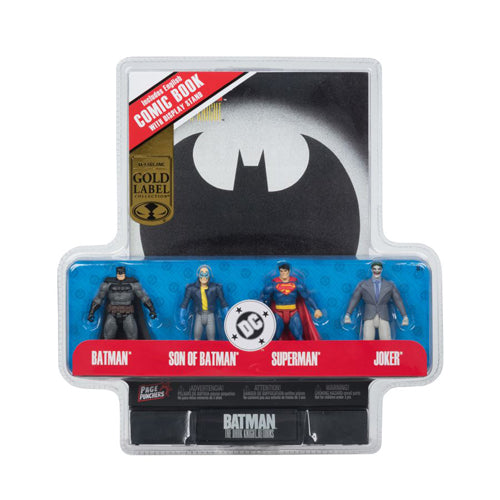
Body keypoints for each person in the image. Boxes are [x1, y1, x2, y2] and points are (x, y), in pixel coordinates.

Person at [344, 261, 409, 340]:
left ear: (382, 270)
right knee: (367, 340)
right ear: (371, 270)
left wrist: (404, 316)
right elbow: (354, 298)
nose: (377, 271)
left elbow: (398, 300)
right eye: (374, 269)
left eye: (379, 269)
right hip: (369, 315)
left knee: (386, 340)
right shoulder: (363, 285)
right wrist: (348, 314)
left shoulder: (389, 285)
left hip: (383, 316)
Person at [261, 262, 322, 340]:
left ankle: (302, 348)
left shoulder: (297, 285)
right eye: (281, 271)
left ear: (289, 271)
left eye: (285, 271)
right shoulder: (272, 286)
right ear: (279, 271)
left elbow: (307, 297)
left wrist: (316, 309)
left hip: (293, 312)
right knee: (274, 338)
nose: (283, 273)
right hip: (278, 313)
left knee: (299, 337)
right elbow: (264, 299)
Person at [180, 265, 229, 340]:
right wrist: (182, 317)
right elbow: (185, 303)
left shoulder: (216, 287)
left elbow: (223, 302)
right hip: (199, 316)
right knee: (196, 338)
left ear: (209, 275)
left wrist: (227, 315)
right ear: (198, 275)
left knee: (211, 339)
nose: (203, 277)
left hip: (210, 315)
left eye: (206, 274)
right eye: (201, 274)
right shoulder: (191, 288)